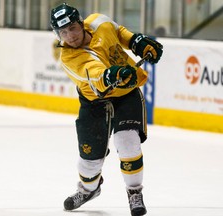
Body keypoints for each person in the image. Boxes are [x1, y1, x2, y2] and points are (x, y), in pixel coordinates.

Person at [50, 3, 163, 216]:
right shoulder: (68, 57)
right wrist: (111, 75)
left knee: (127, 142)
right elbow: (95, 75)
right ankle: (88, 190)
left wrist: (136, 42)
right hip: (95, 103)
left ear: (81, 23)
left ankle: (134, 192)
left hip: (125, 95)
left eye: (72, 28)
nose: (70, 36)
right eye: (62, 32)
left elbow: (118, 32)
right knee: (89, 162)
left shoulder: (98, 21)